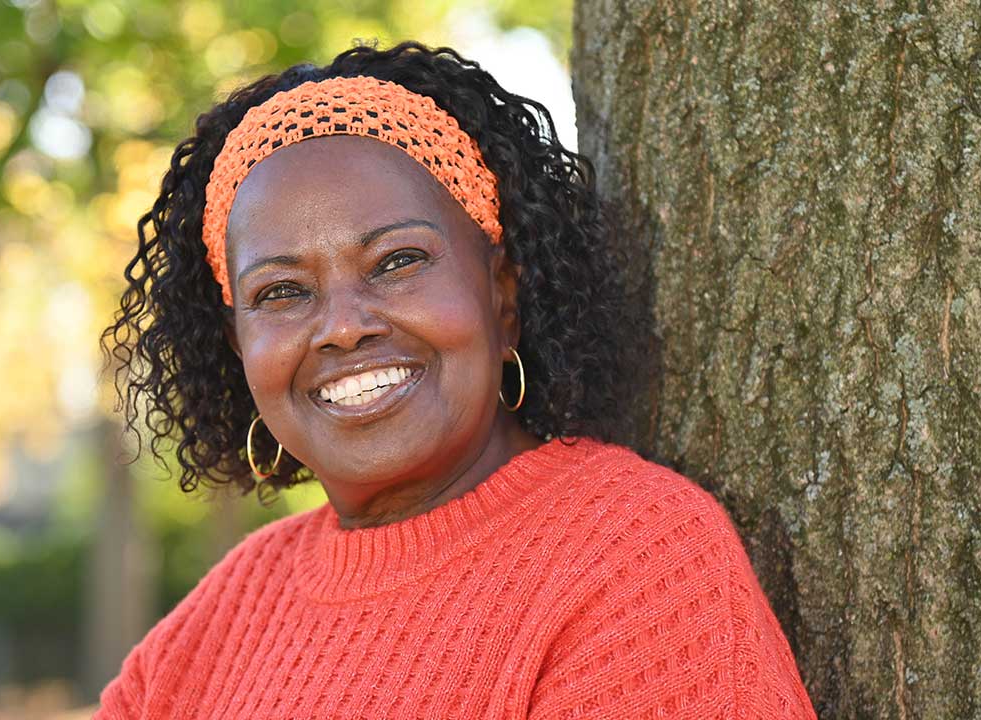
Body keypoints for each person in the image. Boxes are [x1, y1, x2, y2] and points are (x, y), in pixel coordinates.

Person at [96, 41, 816, 718]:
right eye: (282, 292)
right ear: (238, 347)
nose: (343, 326)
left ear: (503, 294)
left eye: (398, 261)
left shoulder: (633, 557)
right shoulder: (217, 623)